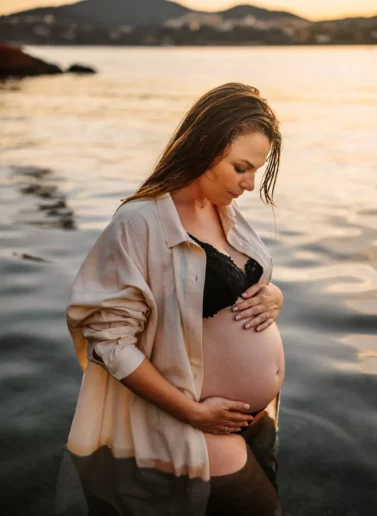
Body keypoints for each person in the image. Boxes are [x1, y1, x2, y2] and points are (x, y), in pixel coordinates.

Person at [56, 82, 284, 516]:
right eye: (241, 167)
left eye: (256, 170)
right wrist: (194, 414)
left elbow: (237, 283)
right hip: (194, 423)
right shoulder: (140, 222)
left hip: (250, 418)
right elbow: (110, 343)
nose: (251, 184)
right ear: (204, 145)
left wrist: (275, 296)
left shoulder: (223, 209)